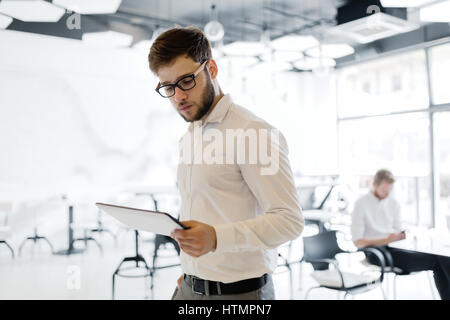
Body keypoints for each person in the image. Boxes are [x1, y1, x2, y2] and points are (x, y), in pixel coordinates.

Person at [148, 26, 304, 300]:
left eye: (186, 81)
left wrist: (217, 238)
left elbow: (289, 221)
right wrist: (191, 271)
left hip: (239, 295)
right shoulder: (190, 135)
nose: (178, 96)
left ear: (213, 69)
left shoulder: (253, 132)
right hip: (189, 287)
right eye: (168, 87)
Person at [351, 169, 450, 299]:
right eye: (384, 191)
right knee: (439, 261)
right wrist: (386, 239)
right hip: (377, 253)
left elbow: (397, 230)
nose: (387, 194)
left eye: (389, 190)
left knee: (442, 256)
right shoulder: (361, 204)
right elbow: (357, 242)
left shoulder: (393, 203)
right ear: (374, 185)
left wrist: (401, 235)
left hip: (396, 248)